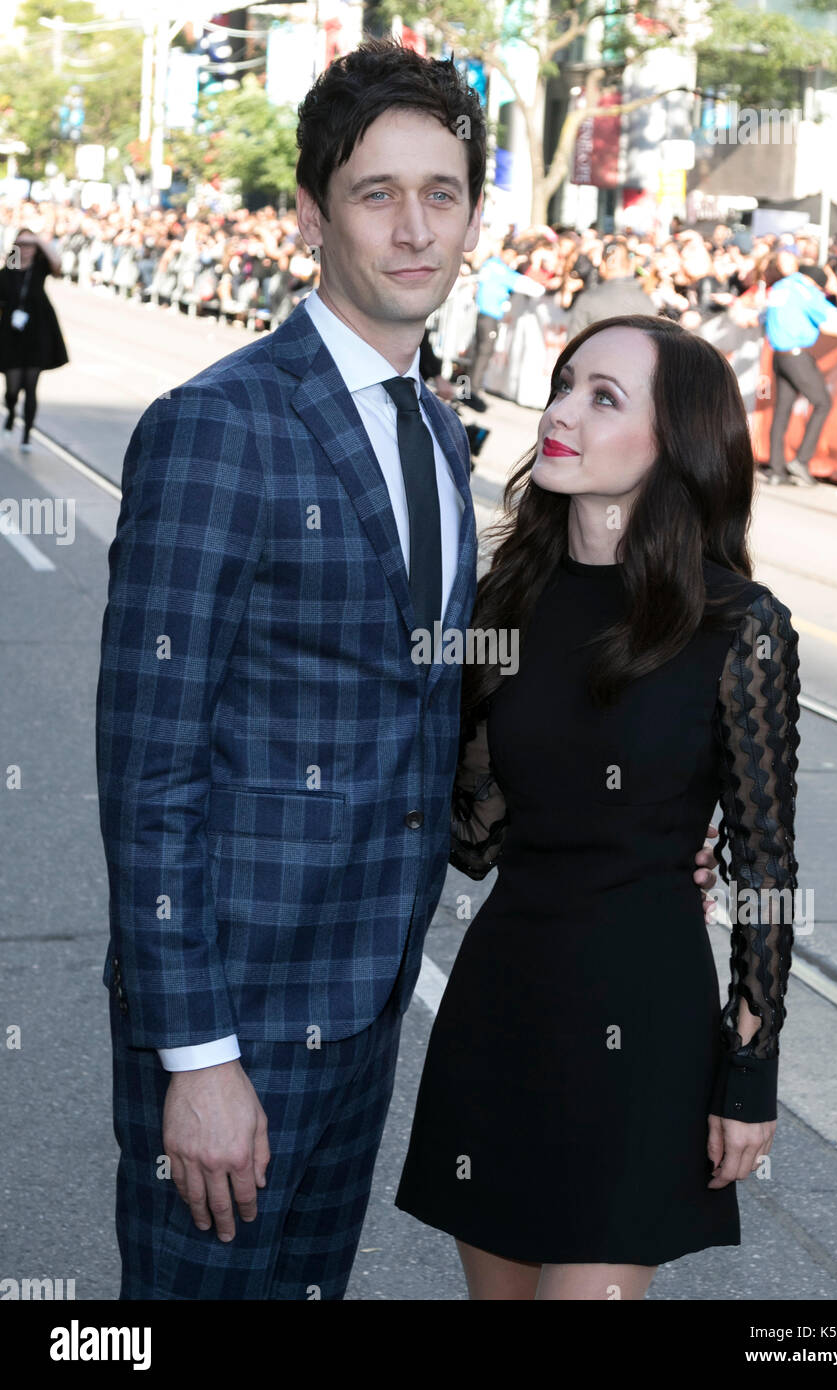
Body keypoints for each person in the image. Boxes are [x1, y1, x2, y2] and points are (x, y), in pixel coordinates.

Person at [95, 39, 721, 1303]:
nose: (414, 226)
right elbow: (148, 768)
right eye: (378, 192)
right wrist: (197, 1055)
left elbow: (443, 716)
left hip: (373, 1004)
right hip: (241, 1010)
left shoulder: (438, 429)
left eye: (442, 193)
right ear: (314, 208)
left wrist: (638, 821)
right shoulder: (220, 424)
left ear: (476, 215)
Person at [394, 314, 802, 1301]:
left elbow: (768, 869)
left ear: (677, 446)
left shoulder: (738, 626)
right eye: (565, 384)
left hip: (645, 1024)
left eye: (603, 397)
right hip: (502, 1007)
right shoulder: (503, 603)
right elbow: (474, 834)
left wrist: (748, 1072)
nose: (562, 411)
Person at [761, 252, 837, 487]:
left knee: (782, 412)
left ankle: (776, 470)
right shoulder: (806, 291)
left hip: (778, 354)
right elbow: (834, 323)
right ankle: (801, 460)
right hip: (797, 354)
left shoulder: (781, 286)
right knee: (823, 402)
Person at [0, 226, 68, 452]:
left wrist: (39, 240)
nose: (26, 249)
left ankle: (27, 434)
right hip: (11, 332)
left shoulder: (40, 267)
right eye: (22, 245)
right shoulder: (9, 267)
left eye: (30, 245)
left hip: (37, 331)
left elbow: (57, 264)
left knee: (30, 386)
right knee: (12, 388)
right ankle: (10, 413)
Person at [465, 239, 546, 409]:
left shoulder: (491, 264)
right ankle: (472, 392)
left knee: (478, 353)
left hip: (484, 314)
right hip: (489, 315)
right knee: (483, 354)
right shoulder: (499, 268)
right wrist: (544, 288)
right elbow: (519, 283)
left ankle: (468, 391)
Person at [564, 237, 656, 337]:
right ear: (630, 265)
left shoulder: (588, 300)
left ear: (603, 265)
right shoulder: (647, 301)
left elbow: (572, 346)